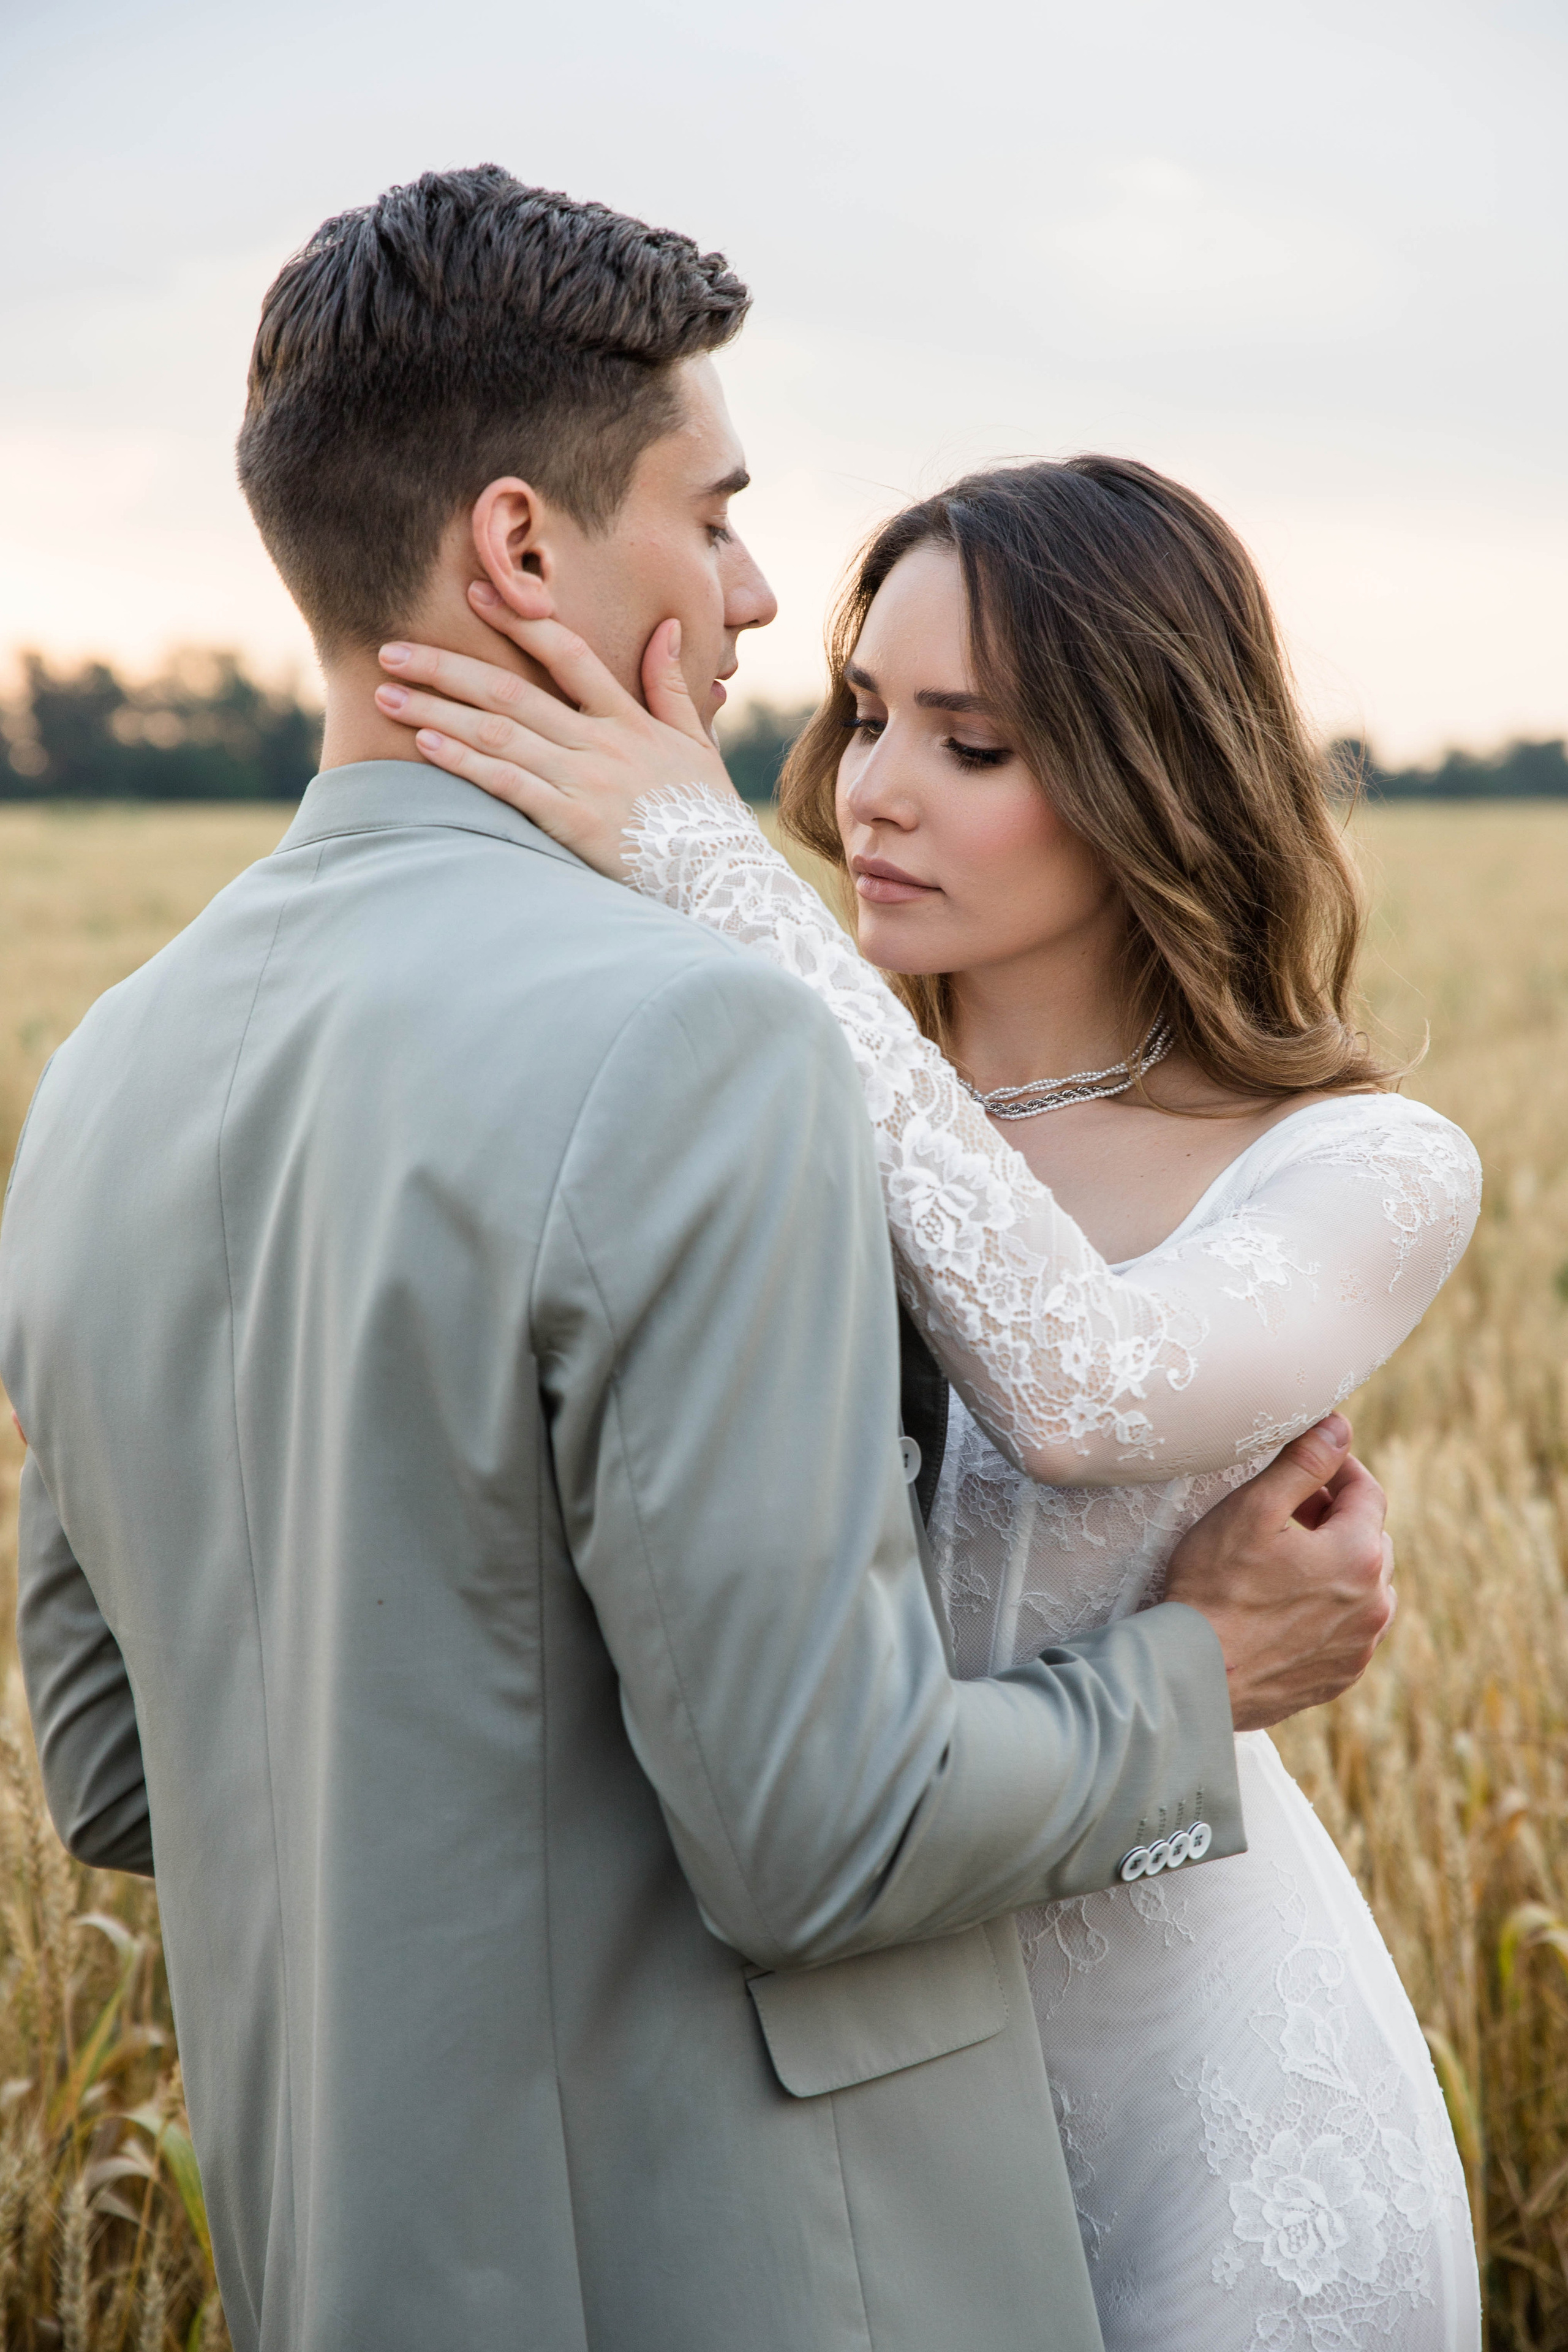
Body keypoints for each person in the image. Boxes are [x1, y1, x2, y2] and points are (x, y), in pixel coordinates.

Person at [0, 170, 1396, 2352]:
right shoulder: (698, 1036)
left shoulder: (101, 1074)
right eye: (715, 510)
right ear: (522, 549)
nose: (751, 593)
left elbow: (115, 1761)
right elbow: (819, 1839)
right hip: (780, 2274)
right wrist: (1198, 1680)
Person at [375, 456, 1484, 2345]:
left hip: (1224, 2145)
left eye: (970, 744)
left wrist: (716, 869)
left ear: (1155, 769)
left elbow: (1074, 1383)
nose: (869, 789)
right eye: (866, 712)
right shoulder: (769, 1113)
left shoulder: (1362, 1166)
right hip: (848, 2141)